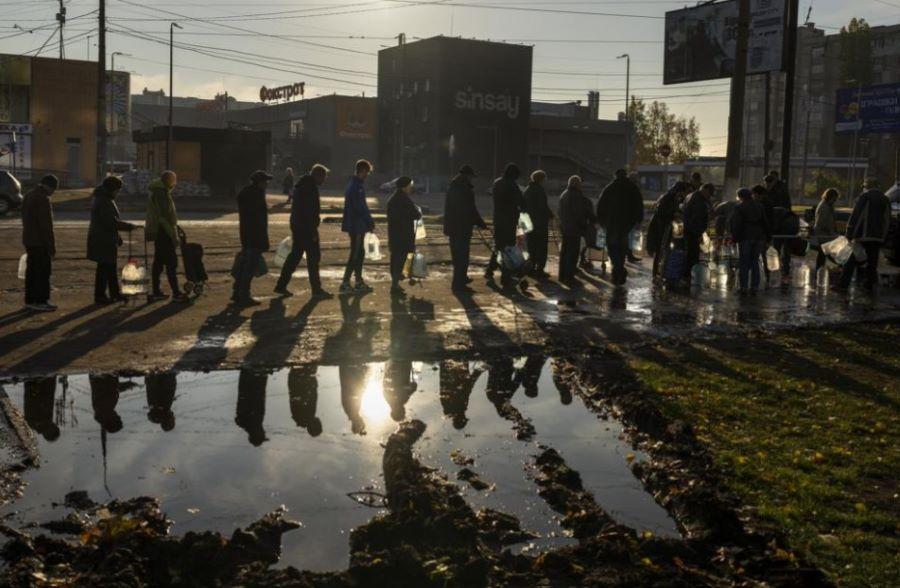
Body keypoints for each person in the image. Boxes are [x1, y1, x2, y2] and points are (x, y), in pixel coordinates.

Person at [274, 164, 332, 299]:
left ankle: (281, 285)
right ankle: (316, 290)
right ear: (318, 175)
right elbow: (309, 212)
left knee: (294, 257)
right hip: (307, 229)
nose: (324, 180)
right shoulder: (310, 188)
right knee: (313, 259)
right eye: (324, 177)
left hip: (298, 227)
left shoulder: (302, 185)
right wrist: (312, 232)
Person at [835, 177, 891, 292]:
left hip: (862, 235)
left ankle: (843, 284)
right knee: (872, 262)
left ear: (868, 186)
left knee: (851, 259)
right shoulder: (885, 199)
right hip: (877, 237)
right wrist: (884, 236)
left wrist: (849, 232)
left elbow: (856, 215)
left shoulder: (865, 197)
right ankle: (868, 284)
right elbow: (887, 220)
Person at [87, 176, 136, 304]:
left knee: (109, 268)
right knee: (105, 269)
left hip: (105, 239)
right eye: (117, 190)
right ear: (112, 189)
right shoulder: (104, 201)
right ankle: (101, 296)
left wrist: (117, 237)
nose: (118, 192)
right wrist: (129, 226)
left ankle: (113, 294)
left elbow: (109, 222)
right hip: (103, 240)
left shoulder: (103, 198)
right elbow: (111, 222)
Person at [596, 169, 644, 285]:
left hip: (612, 224)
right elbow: (639, 204)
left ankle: (618, 270)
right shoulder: (633, 188)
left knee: (612, 247)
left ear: (615, 176)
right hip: (627, 224)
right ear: (626, 176)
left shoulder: (609, 188)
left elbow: (600, 206)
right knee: (622, 248)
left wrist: (602, 221)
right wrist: (638, 220)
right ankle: (619, 270)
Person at [443, 164, 487, 293]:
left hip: (453, 227)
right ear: (467, 176)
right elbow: (470, 209)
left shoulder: (452, 187)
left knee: (457, 256)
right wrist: (481, 223)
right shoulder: (465, 189)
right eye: (471, 177)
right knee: (462, 256)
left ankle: (460, 279)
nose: (472, 179)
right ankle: (459, 284)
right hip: (462, 227)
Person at [233, 170, 272, 306]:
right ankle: (244, 295)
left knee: (244, 265)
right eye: (265, 182)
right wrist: (263, 240)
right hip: (255, 236)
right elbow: (259, 220)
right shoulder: (256, 195)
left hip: (246, 235)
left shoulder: (247, 193)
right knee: (249, 267)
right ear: (259, 182)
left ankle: (237, 292)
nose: (266, 184)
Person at [146, 170, 186, 302]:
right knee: (171, 263)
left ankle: (157, 292)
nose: (175, 183)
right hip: (163, 232)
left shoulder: (159, 191)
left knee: (158, 263)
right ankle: (176, 293)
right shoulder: (161, 194)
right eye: (174, 180)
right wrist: (173, 235)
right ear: (168, 180)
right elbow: (164, 217)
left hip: (159, 231)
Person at [21, 174, 59, 311]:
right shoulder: (43, 199)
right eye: (53, 189)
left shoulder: (29, 195)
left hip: (29, 240)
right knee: (43, 273)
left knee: (31, 272)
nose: (53, 193)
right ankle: (41, 301)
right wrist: (51, 246)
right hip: (40, 242)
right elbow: (46, 226)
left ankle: (30, 300)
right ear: (50, 187)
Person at [485, 163, 525, 287]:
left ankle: (490, 269)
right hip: (509, 221)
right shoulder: (512, 185)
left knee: (499, 245)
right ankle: (506, 278)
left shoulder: (497, 183)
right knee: (508, 249)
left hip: (498, 219)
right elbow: (521, 202)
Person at [340, 159, 375, 294]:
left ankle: (358, 281)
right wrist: (369, 221)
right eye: (367, 172)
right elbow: (360, 208)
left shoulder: (354, 185)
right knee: (356, 254)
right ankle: (345, 282)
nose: (367, 175)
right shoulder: (356, 187)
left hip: (356, 225)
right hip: (357, 226)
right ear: (362, 171)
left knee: (359, 253)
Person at [386, 176, 421, 296]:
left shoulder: (393, 199)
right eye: (410, 185)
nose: (411, 188)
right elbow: (416, 214)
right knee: (400, 260)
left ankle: (395, 284)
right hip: (403, 236)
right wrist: (417, 212)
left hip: (395, 235)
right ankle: (395, 286)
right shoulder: (404, 199)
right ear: (405, 186)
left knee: (395, 260)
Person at [730, 187, 770, 295]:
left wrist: (734, 237)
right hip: (758, 237)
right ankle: (754, 286)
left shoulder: (739, 207)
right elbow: (765, 222)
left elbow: (736, 224)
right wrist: (767, 237)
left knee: (744, 262)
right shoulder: (759, 206)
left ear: (740, 196)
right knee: (754, 261)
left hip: (745, 237)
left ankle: (743, 286)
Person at [646, 181, 690, 278]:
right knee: (660, 249)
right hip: (660, 227)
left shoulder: (673, 197)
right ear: (679, 190)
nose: (684, 194)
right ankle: (656, 273)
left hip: (664, 226)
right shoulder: (669, 198)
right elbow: (662, 212)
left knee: (663, 249)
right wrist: (674, 214)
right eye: (684, 192)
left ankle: (659, 272)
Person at [558, 175, 596, 284]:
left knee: (565, 252)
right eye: (580, 183)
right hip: (574, 228)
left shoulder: (564, 194)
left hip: (565, 227)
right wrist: (584, 225)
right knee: (572, 253)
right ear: (577, 184)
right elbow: (578, 213)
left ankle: (562, 275)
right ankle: (569, 277)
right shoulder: (575, 196)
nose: (581, 186)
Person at [682, 182, 714, 283]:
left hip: (688, 230)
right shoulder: (698, 201)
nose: (710, 196)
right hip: (693, 232)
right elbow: (696, 220)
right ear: (705, 190)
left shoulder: (691, 196)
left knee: (689, 254)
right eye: (710, 193)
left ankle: (686, 275)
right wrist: (699, 234)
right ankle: (687, 276)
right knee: (692, 255)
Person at [764, 172, 793, 284]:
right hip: (785, 223)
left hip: (780, 224)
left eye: (768, 183)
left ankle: (777, 270)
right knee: (784, 248)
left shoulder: (776, 192)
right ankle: (784, 270)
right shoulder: (782, 189)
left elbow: (774, 210)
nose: (766, 186)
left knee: (778, 247)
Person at [524, 170, 552, 278]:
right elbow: (542, 207)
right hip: (539, 223)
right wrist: (550, 214)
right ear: (541, 179)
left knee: (531, 246)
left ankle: (530, 268)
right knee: (541, 247)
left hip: (529, 223)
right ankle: (540, 269)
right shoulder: (539, 190)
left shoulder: (527, 190)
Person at [236, 369, 268, 446]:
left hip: (252, 385)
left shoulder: (251, 423)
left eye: (262, 435)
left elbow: (250, 402)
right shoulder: (250, 424)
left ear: (257, 435)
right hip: (254, 385)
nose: (264, 432)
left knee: (254, 368)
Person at [288, 366, 322, 437]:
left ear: (313, 426)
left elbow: (310, 395)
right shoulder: (307, 417)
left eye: (319, 424)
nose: (320, 421)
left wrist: (312, 381)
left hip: (299, 380)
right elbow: (312, 395)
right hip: (299, 380)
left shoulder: (305, 417)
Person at [811, 188, 839, 273]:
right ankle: (822, 270)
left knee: (823, 254)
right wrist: (831, 232)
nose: (835, 201)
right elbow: (822, 223)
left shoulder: (827, 206)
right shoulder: (824, 207)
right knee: (826, 253)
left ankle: (820, 270)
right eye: (834, 199)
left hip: (825, 235)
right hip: (823, 235)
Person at [626, 171, 644, 263]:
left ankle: (627, 254)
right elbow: (638, 205)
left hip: (626, 217)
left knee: (628, 237)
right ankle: (629, 255)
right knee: (630, 237)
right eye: (636, 178)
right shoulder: (634, 189)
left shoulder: (625, 188)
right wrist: (639, 218)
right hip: (632, 218)